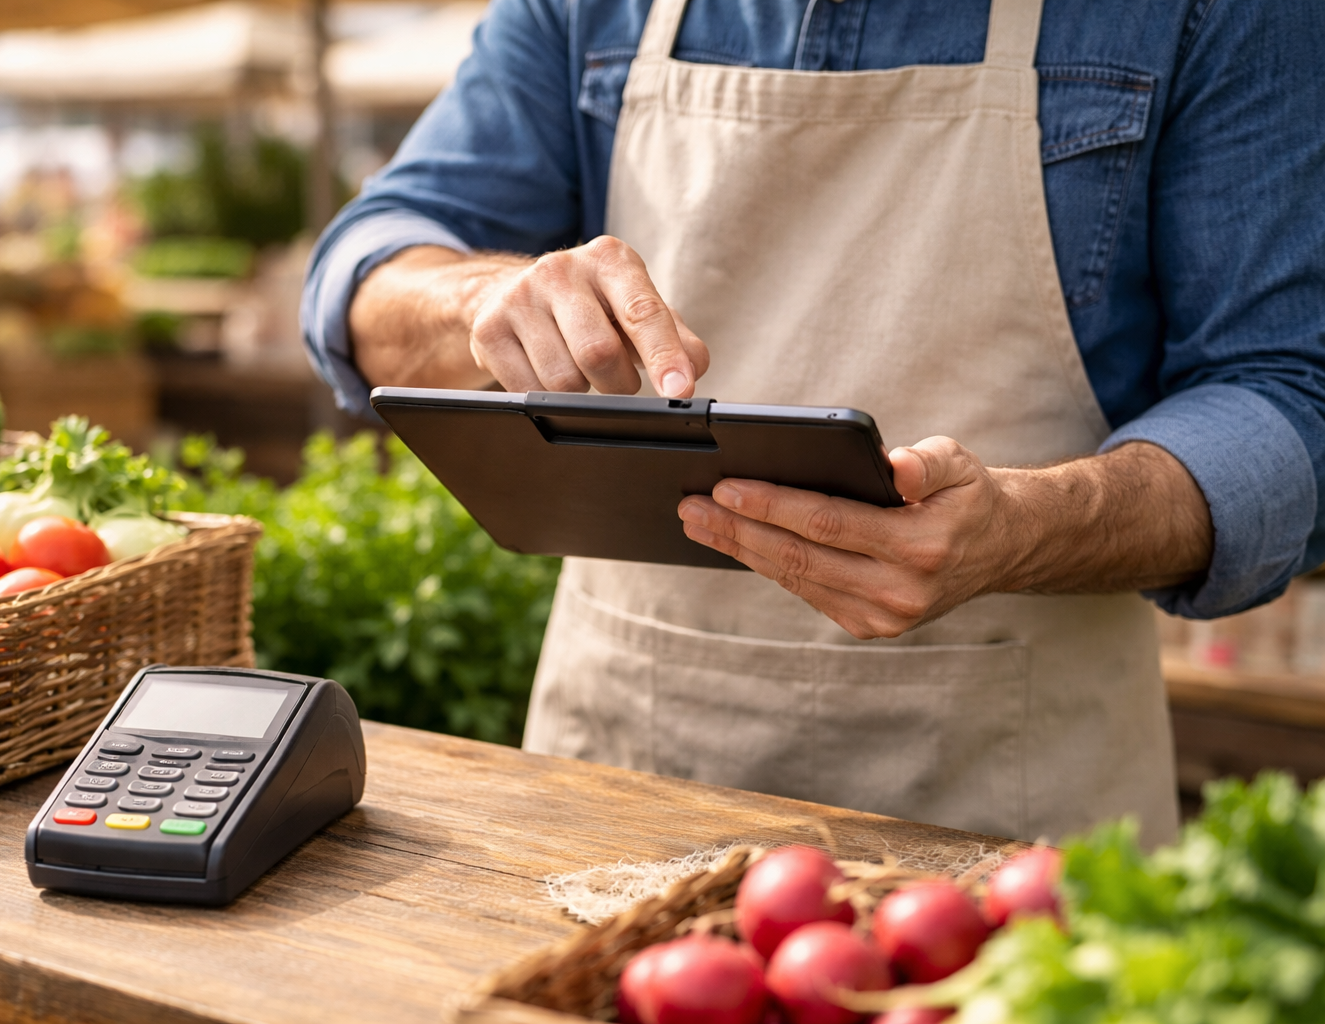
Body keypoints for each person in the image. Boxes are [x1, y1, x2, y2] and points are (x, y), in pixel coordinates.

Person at [302, 0, 1325, 845]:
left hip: (1010, 821)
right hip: (613, 793)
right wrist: (479, 296)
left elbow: (1289, 391)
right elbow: (368, 265)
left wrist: (1029, 522)